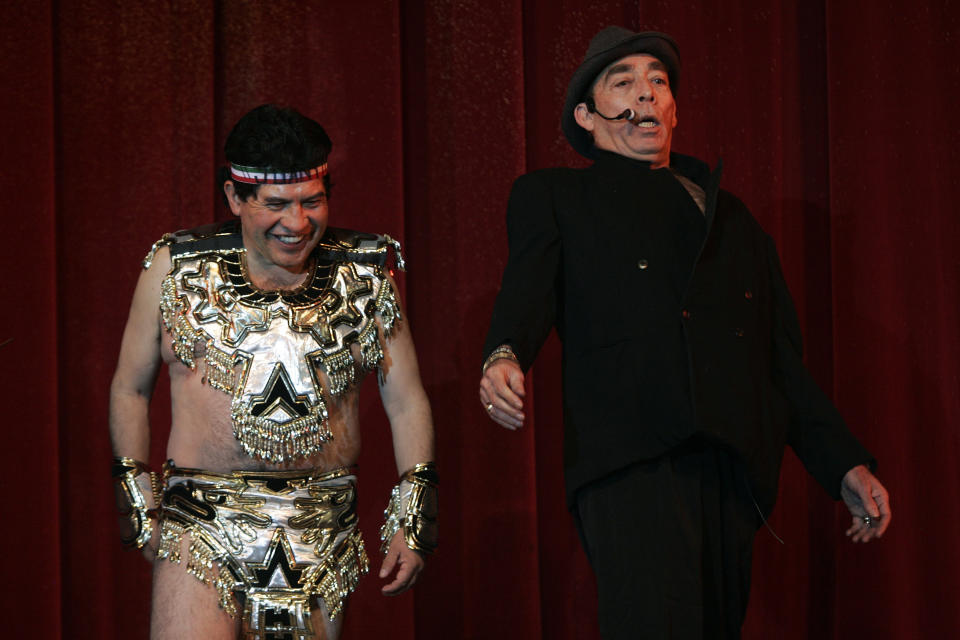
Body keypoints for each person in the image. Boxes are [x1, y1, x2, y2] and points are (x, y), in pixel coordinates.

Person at [479, 26, 890, 639]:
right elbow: (528, 288)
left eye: (659, 81)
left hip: (728, 463)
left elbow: (779, 363)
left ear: (674, 109)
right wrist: (506, 352)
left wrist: (843, 466)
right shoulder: (557, 196)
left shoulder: (733, 219)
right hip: (632, 459)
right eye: (624, 82)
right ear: (587, 118)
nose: (645, 93)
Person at [110, 104, 437, 640]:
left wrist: (413, 515)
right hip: (201, 520)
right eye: (277, 205)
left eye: (313, 201)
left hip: (321, 520)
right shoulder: (175, 267)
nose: (298, 222)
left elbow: (406, 400)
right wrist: (136, 494)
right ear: (236, 198)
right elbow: (129, 386)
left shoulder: (365, 274)